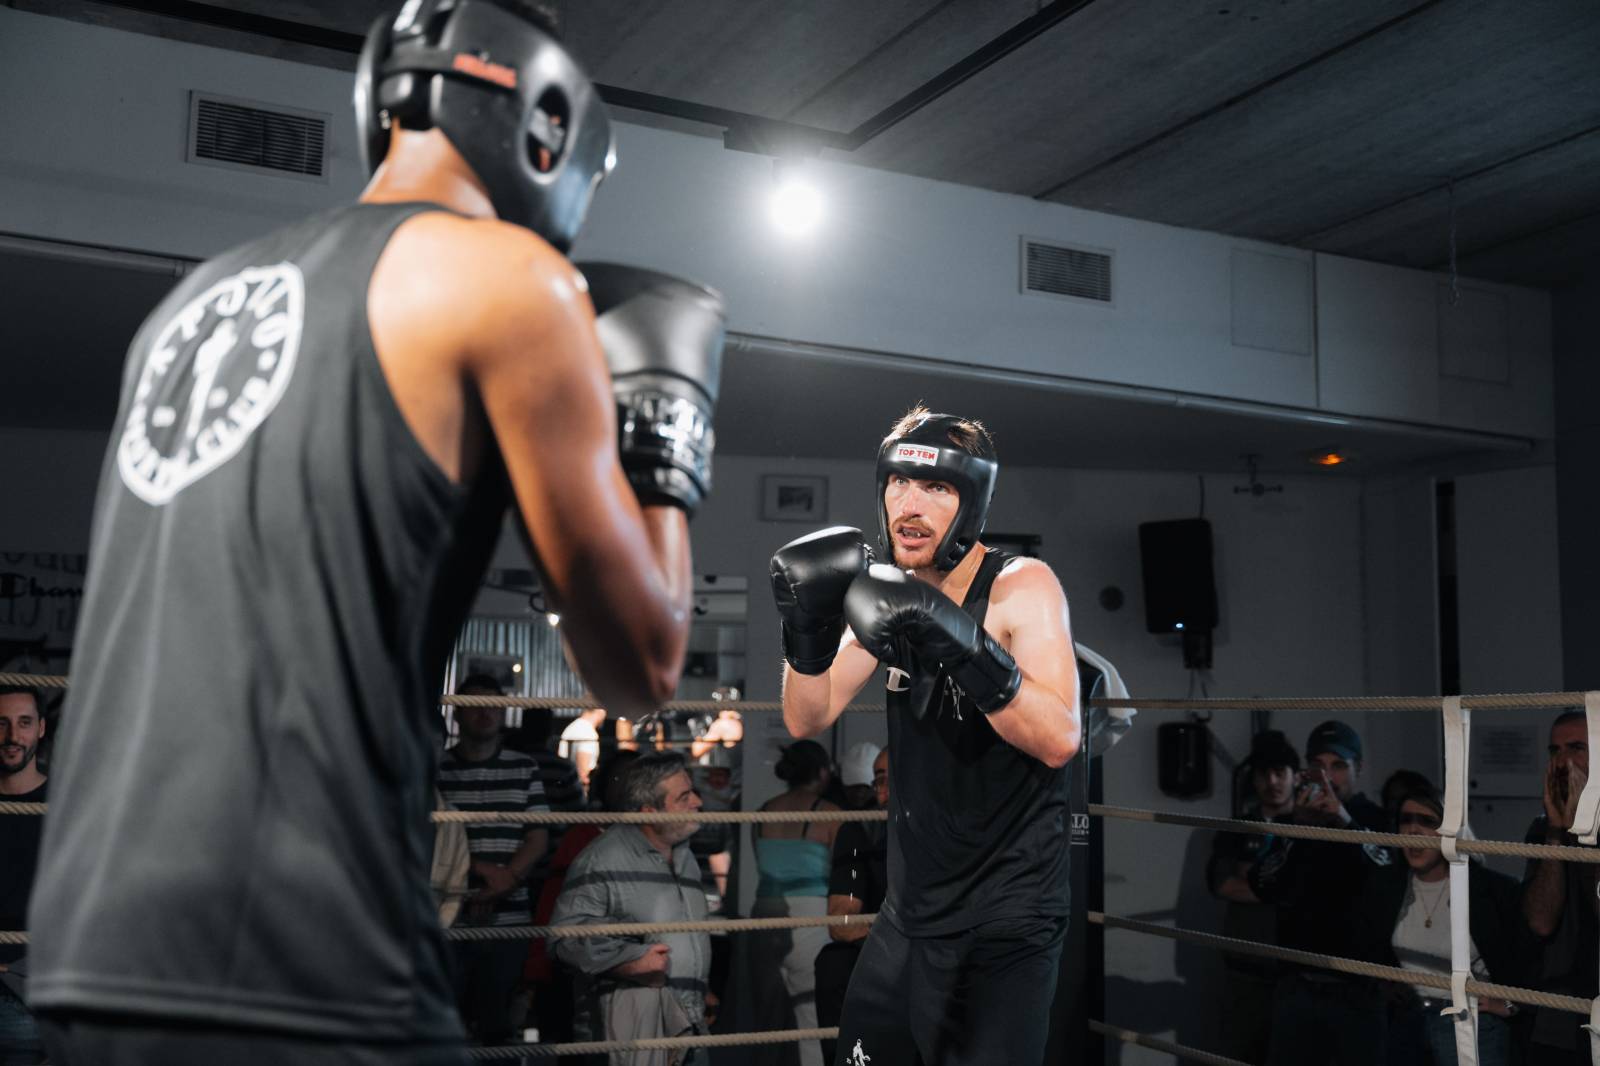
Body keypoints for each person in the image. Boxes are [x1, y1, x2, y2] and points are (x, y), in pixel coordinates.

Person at [26, 2, 726, 1062]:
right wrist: (669, 425)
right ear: (549, 126)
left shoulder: (189, 306)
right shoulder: (508, 277)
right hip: (305, 935)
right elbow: (641, 663)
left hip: (90, 944)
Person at [771, 407, 1080, 1066]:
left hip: (1007, 918)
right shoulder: (888, 592)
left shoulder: (1022, 587)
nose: (910, 504)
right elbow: (807, 716)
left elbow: (1059, 738)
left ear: (971, 503)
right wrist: (803, 633)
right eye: (898, 483)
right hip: (911, 914)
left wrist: (957, 639)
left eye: (937, 487)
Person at [1352, 782, 1534, 1066]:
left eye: (1427, 821)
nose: (1413, 830)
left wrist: (1510, 1005)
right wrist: (1386, 986)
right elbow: (1369, 947)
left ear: (1451, 830)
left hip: (1471, 1024)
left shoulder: (1493, 890)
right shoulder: (1386, 885)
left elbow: (1528, 958)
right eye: (1406, 820)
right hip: (1408, 1022)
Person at [550, 753, 709, 1066]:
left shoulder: (685, 855)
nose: (698, 802)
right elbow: (564, 942)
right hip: (625, 1037)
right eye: (684, 797)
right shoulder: (601, 861)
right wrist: (629, 962)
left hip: (689, 1026)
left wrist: (700, 987)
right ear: (650, 811)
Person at [1249, 719, 1391, 1066]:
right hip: (1296, 986)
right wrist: (1297, 831)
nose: (1328, 777)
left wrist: (1343, 821)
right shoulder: (1292, 822)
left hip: (1359, 989)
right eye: (1318, 766)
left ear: (1358, 768)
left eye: (1338, 766)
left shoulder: (1378, 821)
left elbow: (1390, 877)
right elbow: (1263, 884)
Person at [437, 674, 550, 1044]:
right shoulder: (437, 769)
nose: (485, 713)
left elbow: (538, 835)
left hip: (509, 919)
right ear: (456, 715)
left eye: (493, 705)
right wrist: (477, 876)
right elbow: (428, 836)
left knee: (500, 1028)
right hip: (448, 916)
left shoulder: (525, 768)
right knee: (445, 1025)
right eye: (473, 705)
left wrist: (507, 879)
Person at [1204, 729, 1297, 1064]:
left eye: (1280, 772)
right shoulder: (1239, 827)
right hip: (1245, 971)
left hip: (1297, 973)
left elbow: (1313, 890)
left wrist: (1253, 877)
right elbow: (1222, 885)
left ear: (1294, 776)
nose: (1272, 781)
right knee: (1242, 1055)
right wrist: (1285, 888)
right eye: (1264, 774)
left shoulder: (1310, 826)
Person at [747, 740, 841, 1066]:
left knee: (766, 1020)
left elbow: (761, 862)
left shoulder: (763, 813)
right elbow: (842, 872)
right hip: (809, 917)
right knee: (811, 1015)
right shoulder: (830, 814)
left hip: (764, 912)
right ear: (821, 771)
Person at [1520, 709, 1597, 1065]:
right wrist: (1555, 830)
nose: (1563, 761)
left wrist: (1583, 830)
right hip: (1557, 1017)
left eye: (1576, 748)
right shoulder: (1542, 829)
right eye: (1555, 751)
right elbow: (1540, 921)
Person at [815, 747, 889, 1065]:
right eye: (878, 780)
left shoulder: (953, 828)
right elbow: (841, 922)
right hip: (884, 954)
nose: (881, 789)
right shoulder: (861, 833)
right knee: (834, 965)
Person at [0, 685, 48, 1066]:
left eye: (24, 723)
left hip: (27, 990)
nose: (13, 737)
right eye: (1, 724)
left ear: (42, 729)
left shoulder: (66, 802)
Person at [561, 707, 608, 792]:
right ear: (600, 711)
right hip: (578, 791)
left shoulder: (571, 727)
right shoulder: (588, 732)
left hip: (566, 786)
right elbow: (583, 771)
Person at [835, 741, 881, 812]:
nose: (859, 793)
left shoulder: (893, 809)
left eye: (867, 786)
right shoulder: (829, 802)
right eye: (853, 785)